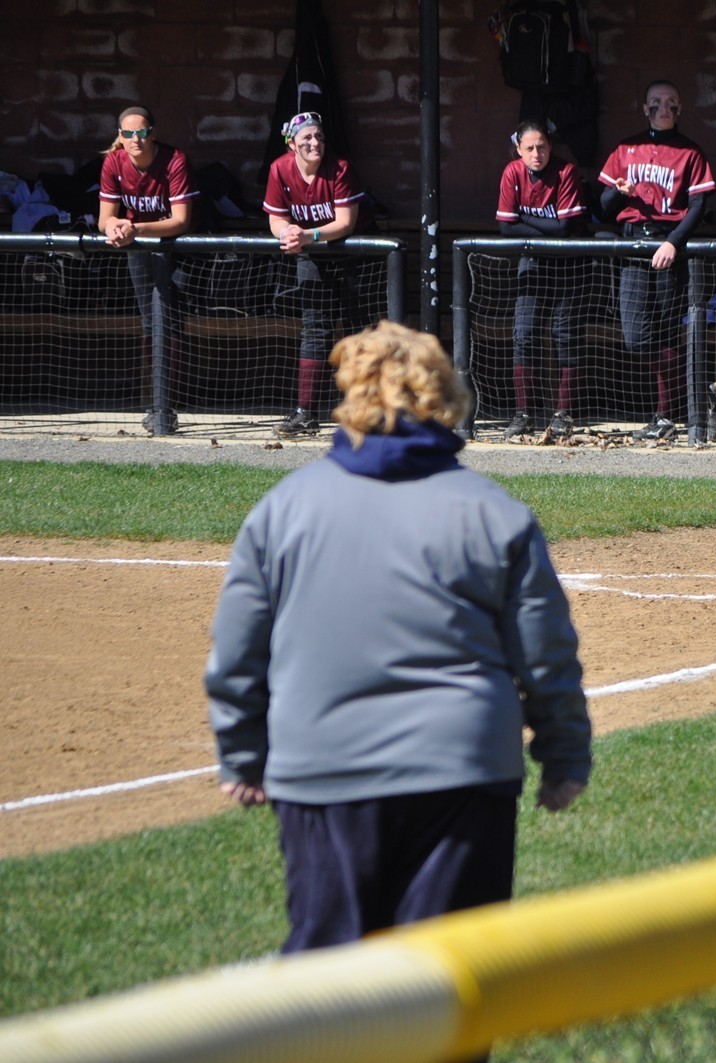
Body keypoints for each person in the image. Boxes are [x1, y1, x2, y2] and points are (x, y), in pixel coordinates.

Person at [206, 321, 591, 970]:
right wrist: (565, 757)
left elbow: (238, 650)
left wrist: (243, 756)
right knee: (452, 979)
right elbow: (546, 655)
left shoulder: (282, 508)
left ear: (349, 392)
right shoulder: (495, 512)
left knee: (330, 980)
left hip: (322, 769)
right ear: (447, 396)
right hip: (463, 768)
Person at [598, 79, 716, 442]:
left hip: (669, 246)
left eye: (671, 101)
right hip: (634, 246)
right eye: (656, 101)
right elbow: (603, 207)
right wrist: (618, 192)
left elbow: (698, 205)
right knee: (637, 336)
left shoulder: (690, 152)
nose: (664, 107)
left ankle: (665, 416)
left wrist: (673, 242)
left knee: (667, 332)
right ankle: (698, 394)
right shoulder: (626, 148)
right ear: (645, 107)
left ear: (680, 108)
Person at [263, 111, 374, 437]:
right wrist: (287, 233)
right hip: (313, 255)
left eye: (319, 137)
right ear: (291, 144)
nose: (314, 143)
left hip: (353, 254)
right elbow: (276, 219)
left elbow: (345, 223)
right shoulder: (279, 169)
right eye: (307, 138)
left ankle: (365, 409)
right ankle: (306, 412)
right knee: (315, 329)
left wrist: (307, 234)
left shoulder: (340, 168)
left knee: (358, 330)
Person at [97, 104, 198, 436]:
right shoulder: (114, 162)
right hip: (137, 247)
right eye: (128, 133)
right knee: (148, 320)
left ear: (152, 132)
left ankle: (169, 403)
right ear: (120, 136)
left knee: (171, 320)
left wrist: (134, 228)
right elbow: (104, 218)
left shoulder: (174, 160)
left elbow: (180, 220)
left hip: (176, 246)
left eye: (141, 132)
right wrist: (115, 227)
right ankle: (154, 404)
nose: (135, 139)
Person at [496, 119, 589, 442]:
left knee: (565, 335)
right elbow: (505, 227)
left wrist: (522, 218)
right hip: (533, 263)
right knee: (524, 334)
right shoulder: (512, 172)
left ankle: (563, 414)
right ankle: (524, 414)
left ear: (551, 146)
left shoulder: (566, 172)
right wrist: (532, 226)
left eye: (542, 147)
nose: (537, 154)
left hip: (567, 265)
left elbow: (563, 229)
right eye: (530, 148)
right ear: (519, 150)